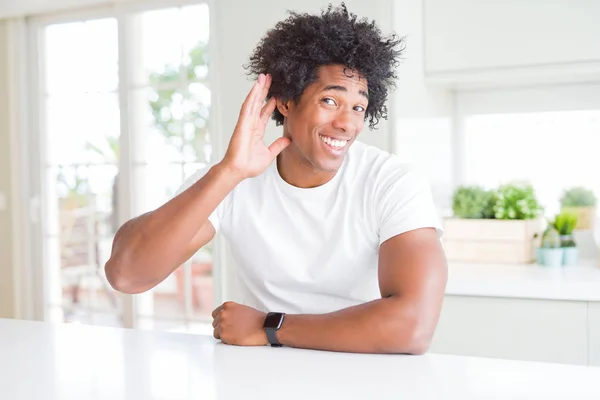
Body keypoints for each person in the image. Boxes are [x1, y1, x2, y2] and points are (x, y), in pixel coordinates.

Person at [105, 3, 447, 354]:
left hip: (367, 371)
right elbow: (128, 274)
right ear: (285, 101)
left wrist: (270, 326)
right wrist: (229, 172)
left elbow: (412, 327)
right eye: (330, 100)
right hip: (265, 375)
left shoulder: (390, 181)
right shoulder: (233, 179)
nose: (347, 123)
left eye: (358, 107)